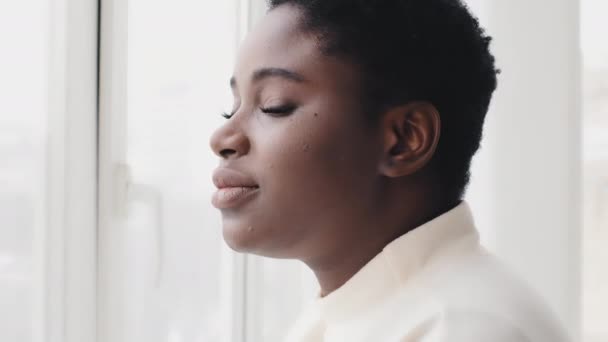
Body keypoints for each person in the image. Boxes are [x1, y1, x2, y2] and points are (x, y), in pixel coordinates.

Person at [209, 0, 570, 340]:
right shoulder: (337, 318)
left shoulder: (464, 329)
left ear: (404, 139)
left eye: (274, 105)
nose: (222, 137)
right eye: (232, 108)